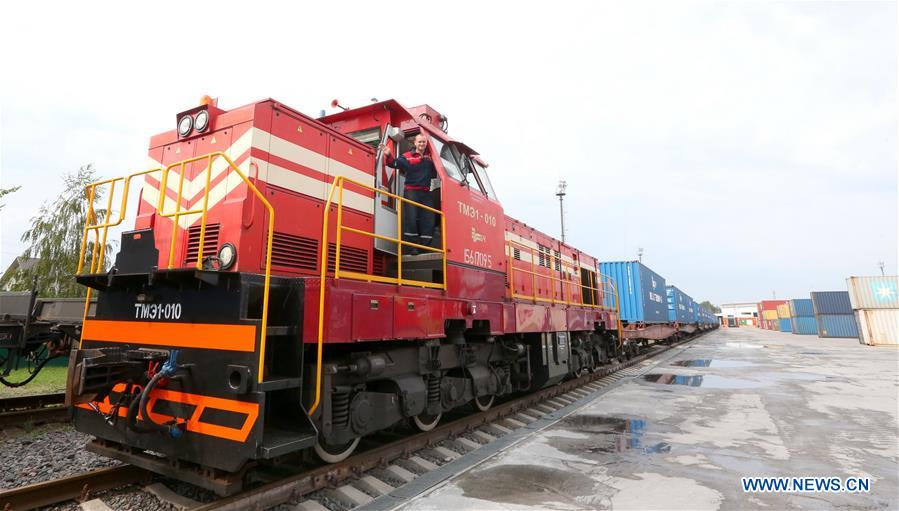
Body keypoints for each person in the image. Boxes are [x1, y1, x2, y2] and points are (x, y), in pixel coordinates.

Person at [380, 134, 438, 254]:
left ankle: (425, 247)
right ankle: (412, 247)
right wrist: (388, 154)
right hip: (411, 191)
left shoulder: (431, 158)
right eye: (420, 142)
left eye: (424, 142)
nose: (422, 144)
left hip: (426, 192)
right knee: (411, 219)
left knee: (429, 219)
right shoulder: (407, 156)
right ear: (415, 143)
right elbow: (394, 163)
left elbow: (438, 171)